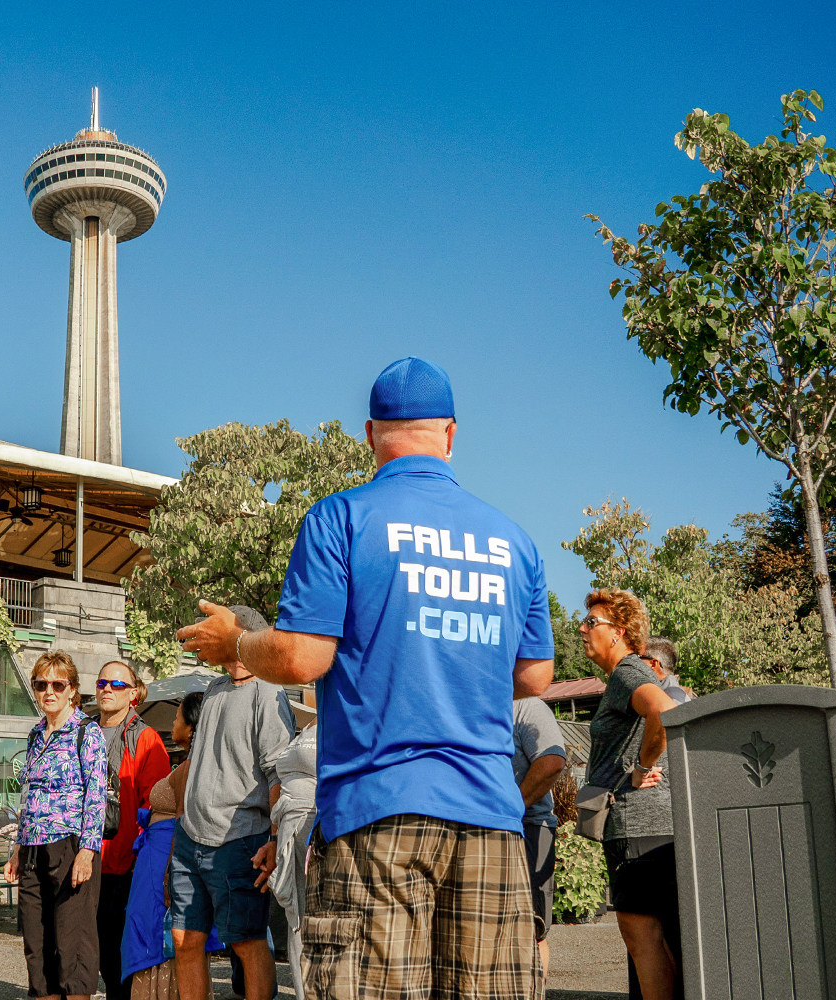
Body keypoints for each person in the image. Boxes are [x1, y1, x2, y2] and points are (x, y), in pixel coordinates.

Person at [178, 356, 556, 1000]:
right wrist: (448, 667)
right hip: (490, 816)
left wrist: (235, 642)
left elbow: (301, 658)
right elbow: (536, 673)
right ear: (452, 434)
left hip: (379, 815)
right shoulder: (512, 540)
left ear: (369, 434)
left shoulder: (342, 518)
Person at [171, 606, 294, 1000]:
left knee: (247, 941)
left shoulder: (270, 692)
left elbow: (279, 774)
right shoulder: (213, 690)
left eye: (211, 631)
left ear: (239, 634)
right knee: (184, 940)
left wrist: (275, 838)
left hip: (240, 840)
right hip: (190, 839)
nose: (202, 639)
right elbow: (199, 762)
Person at [579, 589, 681, 1000]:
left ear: (618, 632)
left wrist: (641, 768)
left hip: (638, 826)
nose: (582, 630)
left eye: (591, 623)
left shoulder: (627, 671)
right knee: (663, 936)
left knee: (642, 938)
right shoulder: (627, 674)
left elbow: (663, 710)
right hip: (650, 826)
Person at [3, 651, 107, 1000]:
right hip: (32, 848)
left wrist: (88, 851)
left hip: (70, 844)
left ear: (72, 689)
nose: (49, 691)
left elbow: (97, 795)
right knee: (37, 939)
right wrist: (17, 848)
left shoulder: (86, 732)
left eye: (58, 684)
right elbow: (28, 794)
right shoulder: (35, 734)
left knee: (71, 940)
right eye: (41, 684)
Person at [121, 691, 210, 1000]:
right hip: (157, 854)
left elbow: (184, 818)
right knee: (150, 931)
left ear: (192, 724)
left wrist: (174, 869)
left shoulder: (193, 765)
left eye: (176, 718)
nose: (173, 723)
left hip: (166, 856)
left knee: (157, 935)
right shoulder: (189, 761)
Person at [95, 660, 171, 1000]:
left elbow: (156, 807)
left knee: (118, 955)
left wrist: (146, 865)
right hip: (83, 858)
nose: (107, 689)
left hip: (124, 864)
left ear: (134, 693)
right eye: (102, 683)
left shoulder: (145, 738)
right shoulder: (83, 732)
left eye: (117, 684)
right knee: (90, 948)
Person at [512, 696, 567, 979]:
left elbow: (552, 761)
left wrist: (511, 807)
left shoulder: (526, 706)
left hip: (530, 827)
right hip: (489, 829)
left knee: (533, 928)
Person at [269, 722, 318, 1000]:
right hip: (290, 827)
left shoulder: (350, 709)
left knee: (316, 921)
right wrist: (275, 837)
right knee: (296, 919)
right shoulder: (309, 722)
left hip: (318, 827)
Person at [640, 636, 691, 706]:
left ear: (653, 664)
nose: (633, 662)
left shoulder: (670, 700)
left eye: (638, 657)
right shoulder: (670, 695)